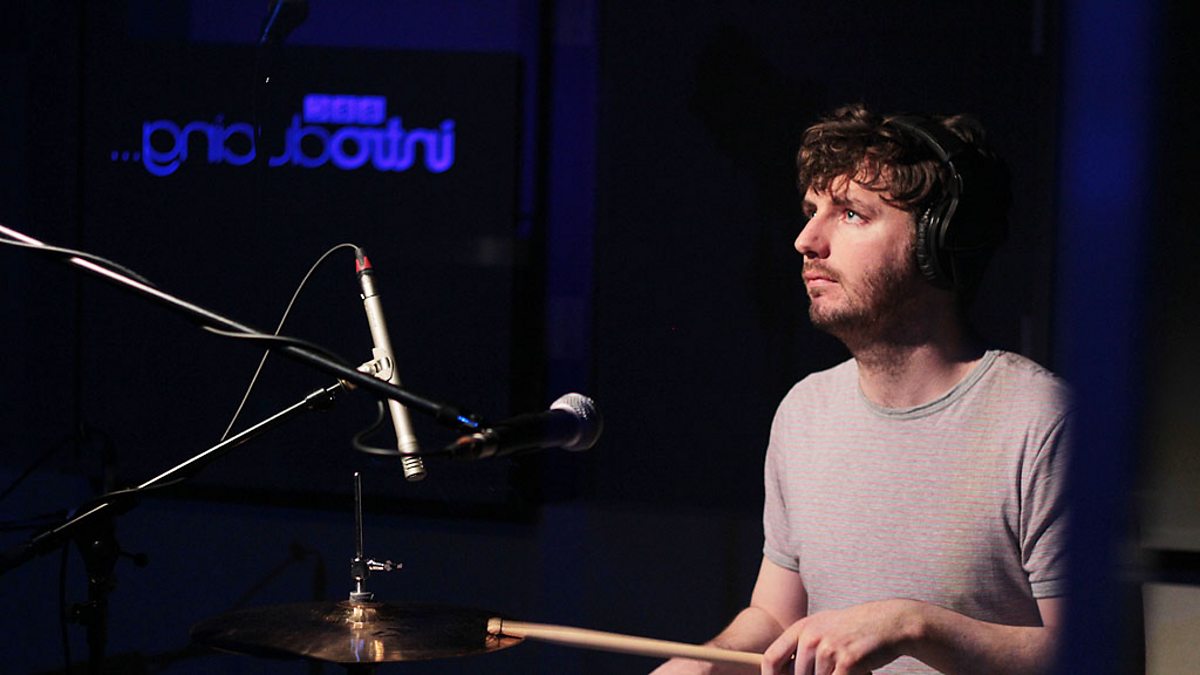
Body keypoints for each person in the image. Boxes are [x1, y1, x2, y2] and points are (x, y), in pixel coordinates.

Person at [653, 104, 1069, 674]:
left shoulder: (1042, 423)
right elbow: (775, 618)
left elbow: (1105, 656)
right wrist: (705, 665)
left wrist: (912, 625)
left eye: (850, 214)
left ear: (937, 242)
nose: (805, 240)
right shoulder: (804, 412)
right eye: (811, 212)